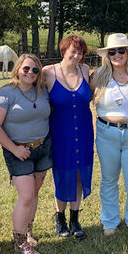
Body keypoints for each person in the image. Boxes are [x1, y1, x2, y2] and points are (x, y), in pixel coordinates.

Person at [0, 54, 52, 254]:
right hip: (18, 151)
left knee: (34, 194)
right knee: (25, 196)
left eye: (35, 70)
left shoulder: (42, 91)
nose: (30, 73)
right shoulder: (5, 94)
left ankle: (28, 231)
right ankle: (20, 243)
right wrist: (15, 149)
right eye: (26, 69)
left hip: (42, 148)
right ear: (17, 69)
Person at [90, 33, 128, 237]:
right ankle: (110, 221)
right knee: (109, 180)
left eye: (121, 50)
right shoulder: (98, 76)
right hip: (107, 134)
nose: (116, 55)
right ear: (107, 55)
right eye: (112, 51)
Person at [43, 36, 94, 240]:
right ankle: (60, 217)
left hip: (83, 131)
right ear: (63, 50)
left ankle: (74, 218)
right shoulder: (48, 72)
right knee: (63, 174)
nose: (76, 55)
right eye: (73, 51)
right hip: (60, 131)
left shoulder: (85, 70)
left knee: (80, 173)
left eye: (80, 52)